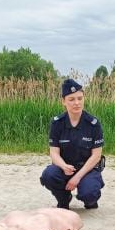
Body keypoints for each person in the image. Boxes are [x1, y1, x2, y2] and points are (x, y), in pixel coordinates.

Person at [40, 79, 105, 209]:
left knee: (89, 192)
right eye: (71, 99)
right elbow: (54, 153)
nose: (76, 103)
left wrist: (77, 177)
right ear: (63, 101)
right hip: (65, 168)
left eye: (80, 98)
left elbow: (96, 156)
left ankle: (90, 201)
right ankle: (64, 198)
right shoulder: (57, 123)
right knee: (49, 175)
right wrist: (63, 166)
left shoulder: (93, 124)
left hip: (87, 169)